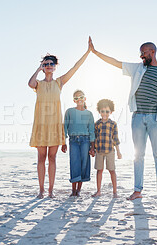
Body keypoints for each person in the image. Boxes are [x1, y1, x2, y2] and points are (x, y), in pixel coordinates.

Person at [88, 37, 157, 202]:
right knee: (138, 155)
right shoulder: (137, 69)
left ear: (152, 52)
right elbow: (116, 63)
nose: (141, 56)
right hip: (138, 118)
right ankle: (137, 190)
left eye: (143, 53)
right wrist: (95, 52)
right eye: (140, 53)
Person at [28, 41, 91, 199]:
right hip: (41, 126)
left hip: (55, 125)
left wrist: (88, 52)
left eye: (51, 64)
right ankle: (41, 190)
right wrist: (38, 68)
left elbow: (75, 68)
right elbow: (30, 83)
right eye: (46, 64)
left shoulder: (59, 82)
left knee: (52, 158)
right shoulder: (39, 84)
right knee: (41, 158)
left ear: (55, 66)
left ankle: (50, 191)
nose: (49, 66)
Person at [62, 90, 95, 197]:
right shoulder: (69, 111)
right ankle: (73, 190)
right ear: (74, 100)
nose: (79, 99)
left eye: (80, 97)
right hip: (73, 141)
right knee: (74, 163)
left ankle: (78, 190)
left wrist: (92, 147)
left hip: (85, 141)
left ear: (85, 98)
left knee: (83, 164)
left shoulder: (89, 114)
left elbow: (91, 130)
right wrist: (63, 142)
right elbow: (65, 127)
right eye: (76, 98)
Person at [92, 99, 122, 198]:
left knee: (112, 170)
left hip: (110, 151)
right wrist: (92, 149)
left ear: (111, 112)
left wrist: (118, 152)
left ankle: (114, 192)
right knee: (99, 170)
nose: (105, 113)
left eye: (107, 111)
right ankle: (99, 191)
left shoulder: (113, 124)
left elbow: (115, 138)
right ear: (99, 111)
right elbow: (94, 137)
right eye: (102, 111)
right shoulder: (97, 124)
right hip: (99, 151)